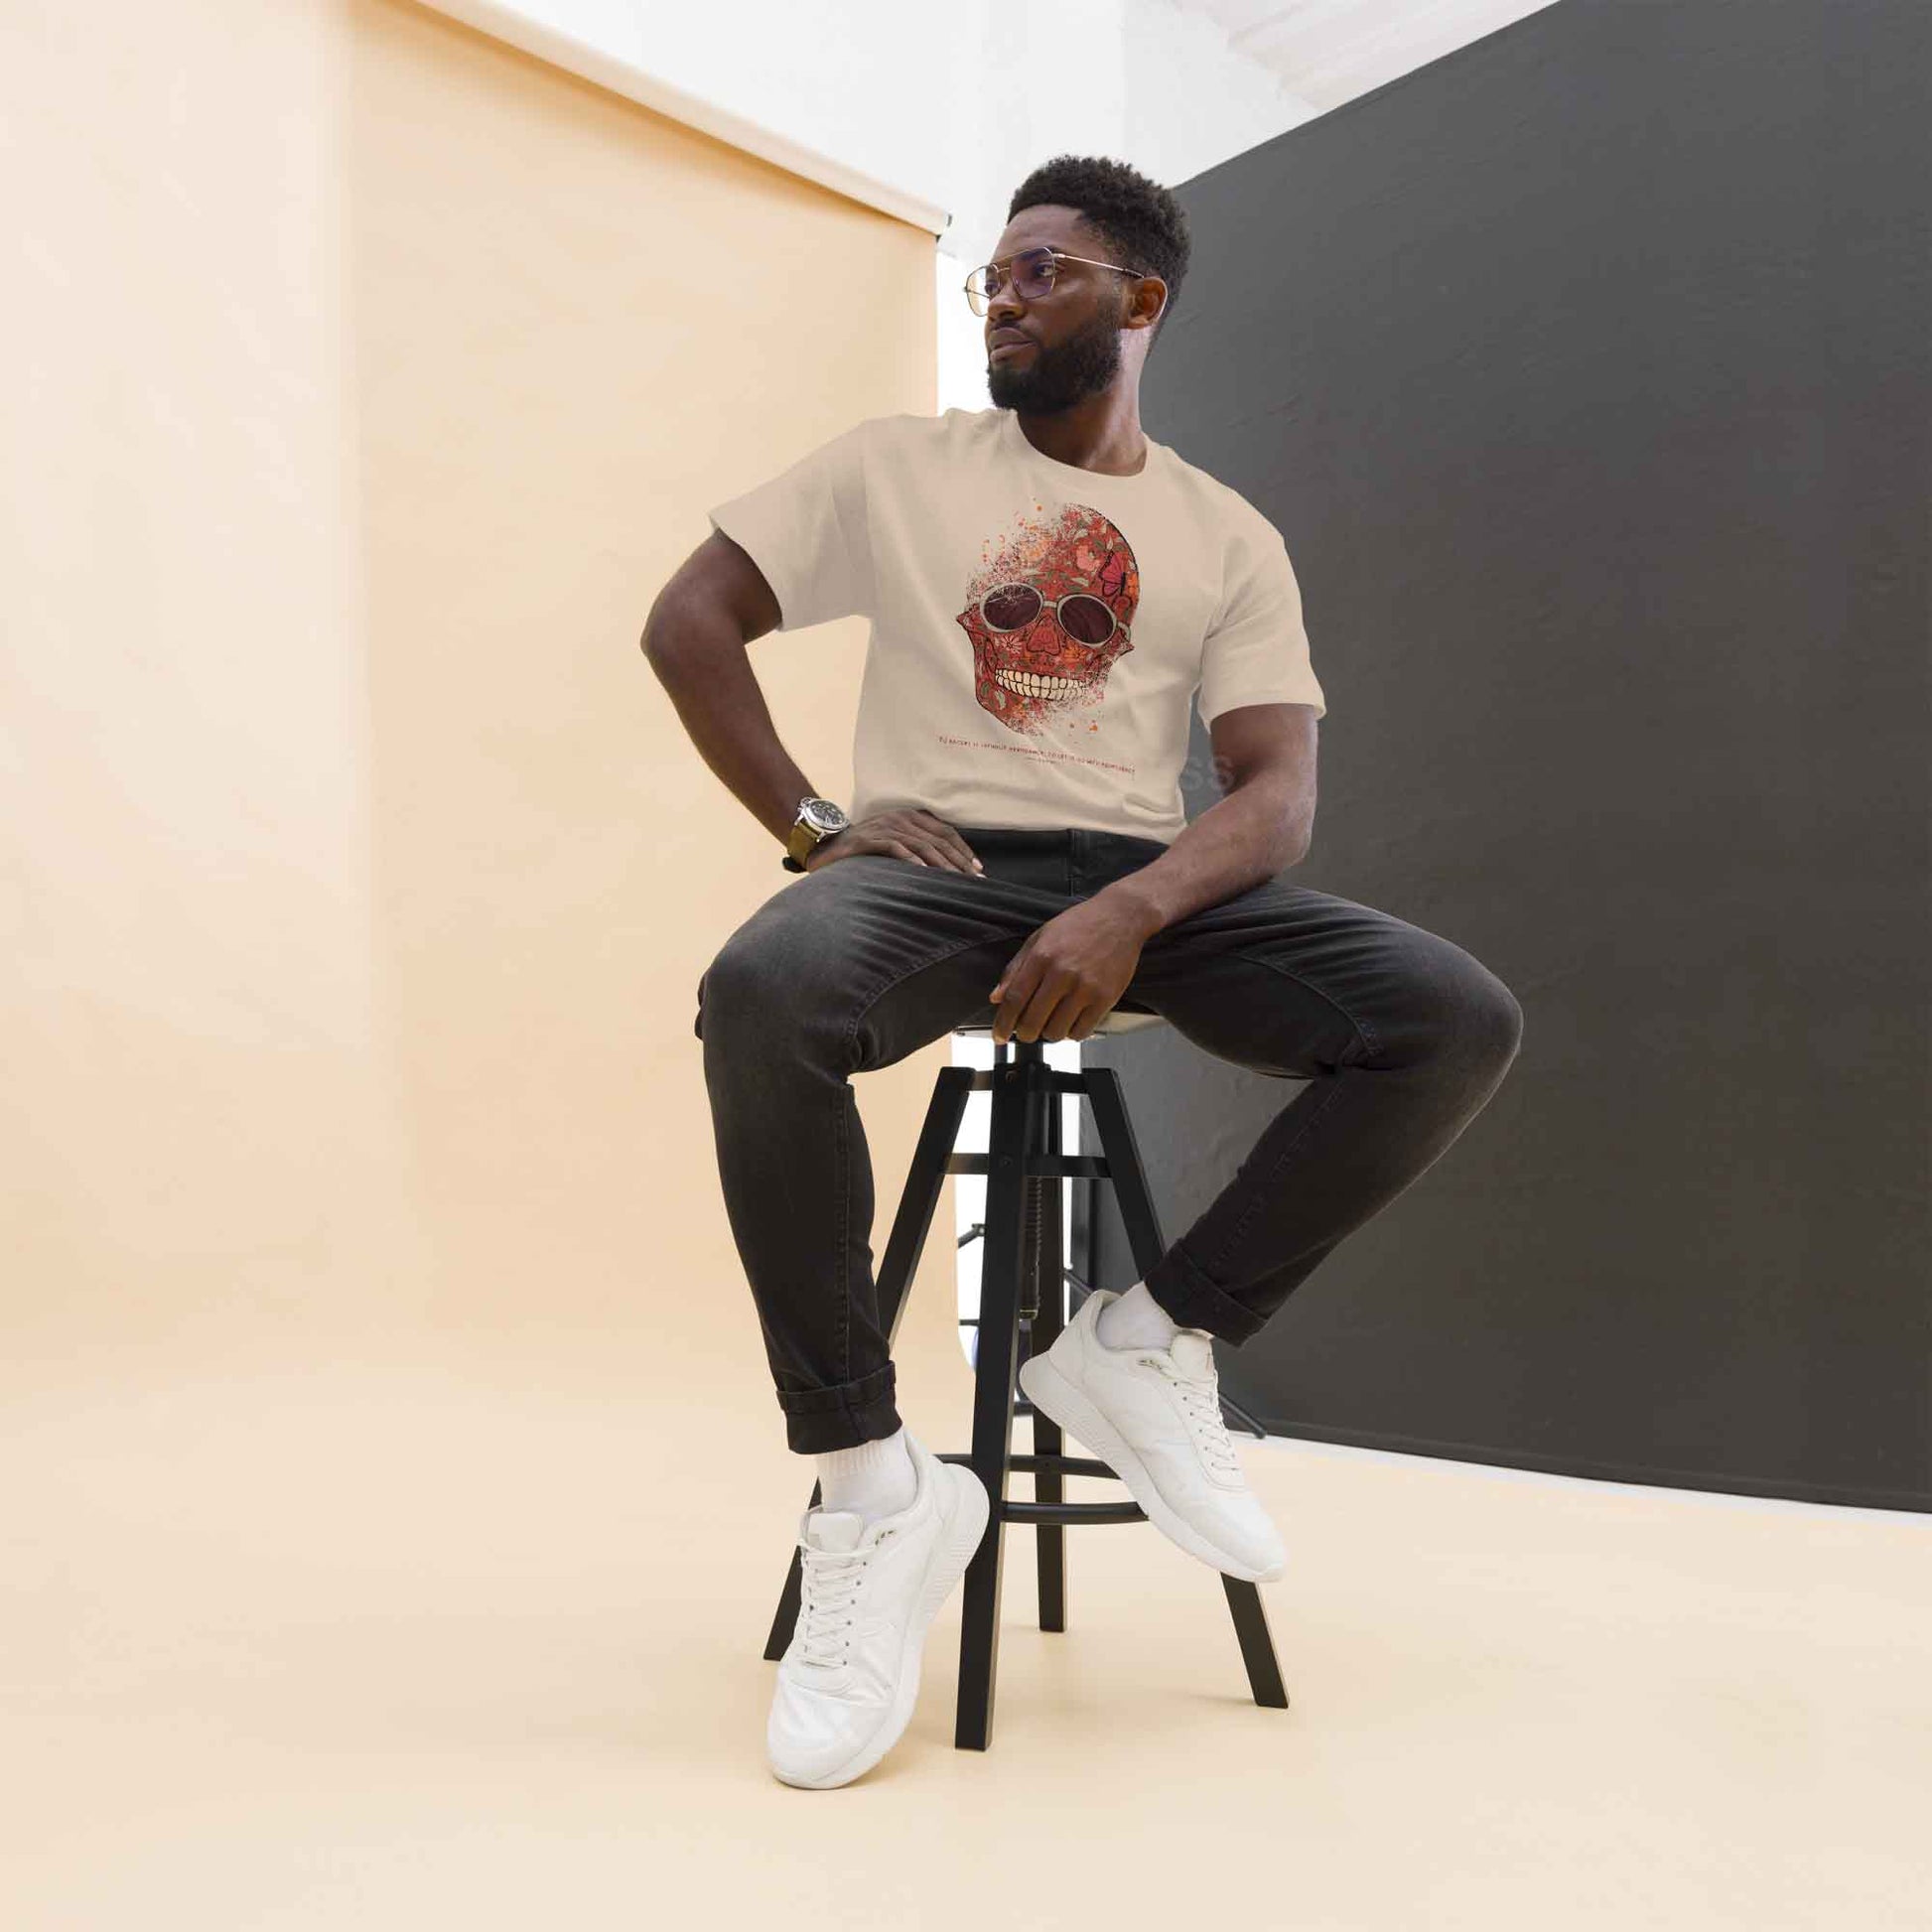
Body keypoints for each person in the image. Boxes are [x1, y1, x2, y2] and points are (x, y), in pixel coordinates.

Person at [642, 155, 1523, 1789]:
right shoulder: (896, 467)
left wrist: (1131, 911)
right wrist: (819, 824)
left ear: (1138, 300)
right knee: (761, 994)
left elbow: (1274, 794)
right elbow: (687, 617)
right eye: (990, 273)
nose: (1001, 294)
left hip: (1145, 882)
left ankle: (1144, 1340)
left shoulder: (1221, 532)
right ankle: (871, 1487)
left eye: (1040, 271)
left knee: (1450, 1017)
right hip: (937, 875)